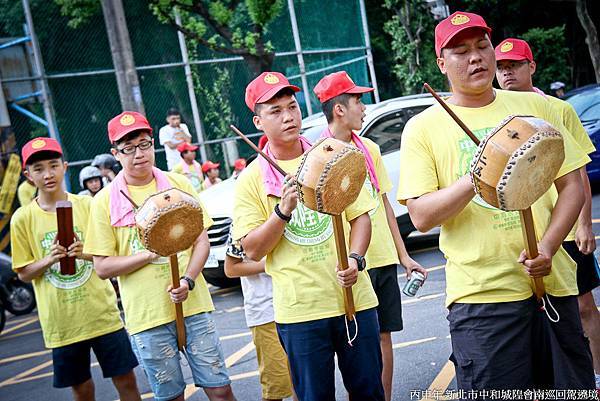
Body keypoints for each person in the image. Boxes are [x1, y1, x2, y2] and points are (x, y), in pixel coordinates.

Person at [397, 11, 594, 393]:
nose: (476, 58)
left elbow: (572, 185)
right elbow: (420, 216)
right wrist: (479, 174)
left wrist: (550, 246)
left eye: (482, 46)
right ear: (441, 63)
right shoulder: (423, 127)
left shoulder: (536, 109)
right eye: (460, 51)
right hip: (481, 299)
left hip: (553, 283)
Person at [233, 71, 384, 400]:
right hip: (299, 313)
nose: (288, 116)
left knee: (370, 392)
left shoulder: (332, 153)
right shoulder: (250, 179)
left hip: (354, 300)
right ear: (258, 121)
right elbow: (252, 250)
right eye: (276, 111)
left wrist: (356, 259)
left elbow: (360, 218)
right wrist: (282, 211)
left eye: (292, 107)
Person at [84, 111, 236, 401]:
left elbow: (201, 240)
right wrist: (148, 254)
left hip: (194, 306)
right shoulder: (104, 201)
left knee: (221, 390)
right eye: (128, 149)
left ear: (153, 144)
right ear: (116, 153)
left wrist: (189, 280)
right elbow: (102, 267)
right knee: (170, 397)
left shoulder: (178, 184)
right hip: (147, 316)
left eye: (144, 144)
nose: (138, 154)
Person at [313, 70, 429, 401]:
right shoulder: (320, 153)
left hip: (382, 258)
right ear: (339, 109)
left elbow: (384, 204)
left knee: (383, 337)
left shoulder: (370, 150)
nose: (364, 107)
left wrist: (403, 255)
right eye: (358, 101)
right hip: (350, 264)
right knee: (354, 345)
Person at [495, 37, 600, 388]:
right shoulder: (496, 117)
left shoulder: (557, 109)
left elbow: (579, 172)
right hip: (517, 236)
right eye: (502, 67)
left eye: (515, 65)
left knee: (582, 307)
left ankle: (595, 378)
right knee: (528, 317)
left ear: (532, 67)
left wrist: (584, 223)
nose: (507, 73)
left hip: (564, 227)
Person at [10, 137, 141, 401]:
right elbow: (23, 272)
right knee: (82, 390)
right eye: (38, 169)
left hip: (102, 314)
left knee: (127, 381)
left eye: (53, 165)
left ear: (65, 166)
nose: (48, 174)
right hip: (62, 322)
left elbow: (109, 255)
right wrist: (49, 259)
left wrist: (87, 253)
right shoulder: (22, 218)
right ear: (27, 175)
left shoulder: (88, 205)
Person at [224, 234, 295, 401]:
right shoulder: (243, 223)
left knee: (303, 383)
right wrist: (274, 263)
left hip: (301, 306)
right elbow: (231, 268)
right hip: (266, 312)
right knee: (276, 387)